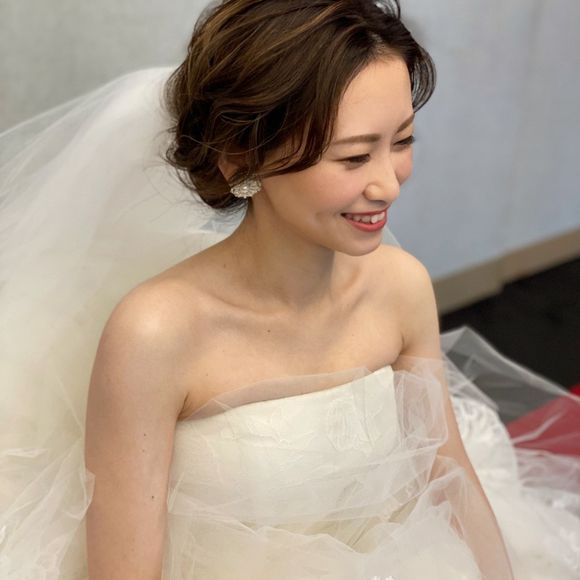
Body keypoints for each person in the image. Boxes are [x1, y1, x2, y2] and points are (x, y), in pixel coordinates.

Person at [0, 1, 578, 579]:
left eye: (402, 141)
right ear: (241, 159)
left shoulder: (400, 286)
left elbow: (447, 475)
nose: (388, 185)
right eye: (354, 156)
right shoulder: (156, 333)